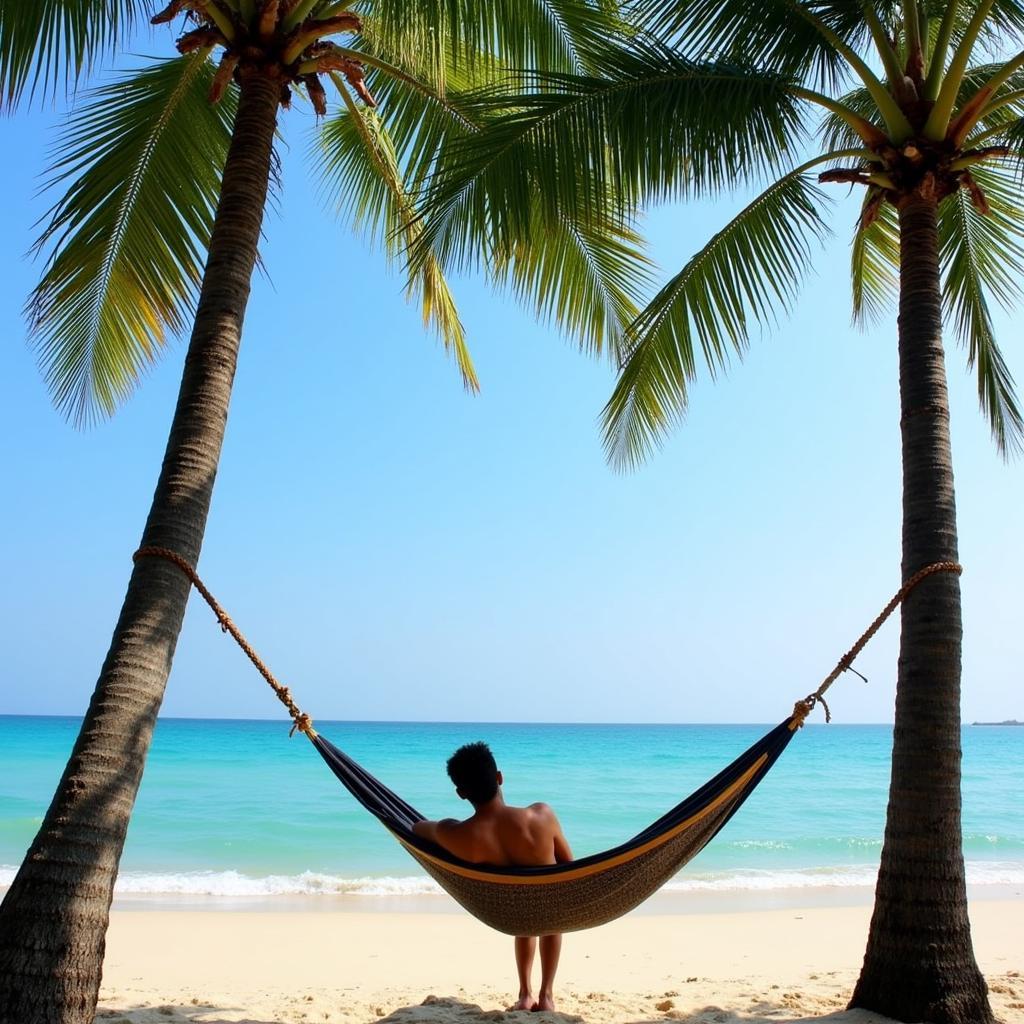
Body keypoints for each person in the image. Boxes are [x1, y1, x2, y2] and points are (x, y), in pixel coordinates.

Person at [412, 741, 573, 1013]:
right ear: (500, 777)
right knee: (547, 905)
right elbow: (569, 866)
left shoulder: (459, 834)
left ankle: (524, 994)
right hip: (549, 908)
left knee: (523, 910)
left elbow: (417, 828)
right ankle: (546, 996)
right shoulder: (541, 815)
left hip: (508, 913)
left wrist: (445, 826)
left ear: (461, 793)